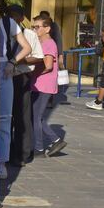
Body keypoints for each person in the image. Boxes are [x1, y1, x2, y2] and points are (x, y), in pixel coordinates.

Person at [6, 5, 46, 166]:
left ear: (22, 18)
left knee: (22, 116)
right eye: (9, 16)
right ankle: (6, 152)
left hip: (20, 76)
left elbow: (39, 57)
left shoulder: (29, 35)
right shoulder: (3, 33)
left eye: (15, 16)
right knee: (5, 117)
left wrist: (20, 59)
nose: (12, 19)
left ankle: (23, 153)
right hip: (4, 77)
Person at [0, 8, 31, 179]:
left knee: (4, 118)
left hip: (3, 70)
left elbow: (27, 47)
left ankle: (1, 161)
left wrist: (12, 62)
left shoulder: (6, 22)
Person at [30, 16, 67, 157]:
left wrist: (31, 73)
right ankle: (55, 140)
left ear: (47, 28)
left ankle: (39, 148)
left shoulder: (49, 44)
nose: (35, 29)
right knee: (36, 116)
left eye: (37, 27)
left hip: (44, 85)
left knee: (36, 117)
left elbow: (48, 66)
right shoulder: (40, 42)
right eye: (33, 27)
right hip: (37, 84)